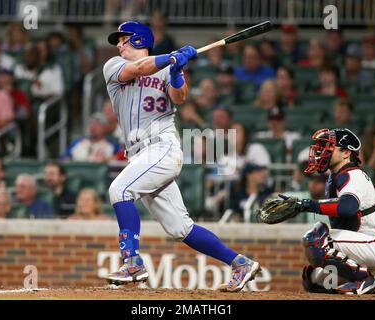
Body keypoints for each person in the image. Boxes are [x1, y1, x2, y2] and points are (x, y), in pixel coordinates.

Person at [103, 21, 260, 292]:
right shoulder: (113, 66)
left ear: (140, 40)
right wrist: (172, 57)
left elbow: (180, 97)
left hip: (161, 147)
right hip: (139, 155)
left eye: (124, 39)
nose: (119, 45)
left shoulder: (165, 67)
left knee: (120, 190)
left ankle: (132, 263)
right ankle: (240, 263)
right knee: (180, 228)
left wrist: (176, 72)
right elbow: (140, 69)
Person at [286, 128, 375, 295]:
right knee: (314, 279)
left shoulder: (354, 175)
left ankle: (363, 279)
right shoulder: (334, 177)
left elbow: (348, 207)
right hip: (359, 244)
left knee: (316, 238)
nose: (321, 151)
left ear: (346, 152)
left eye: (328, 146)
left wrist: (309, 205)